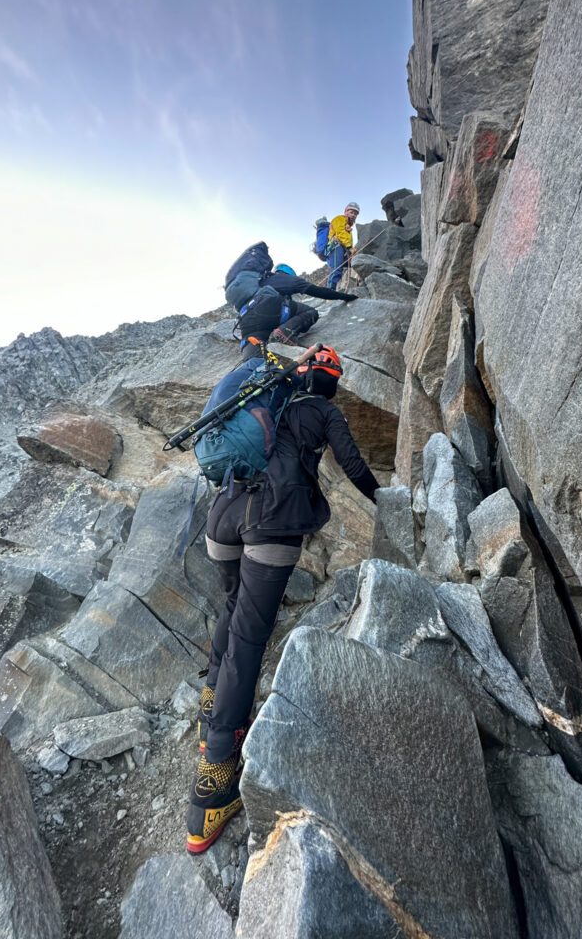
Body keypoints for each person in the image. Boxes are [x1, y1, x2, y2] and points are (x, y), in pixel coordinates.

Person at [186, 346, 380, 854]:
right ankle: (213, 784)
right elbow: (354, 463)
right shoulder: (323, 410)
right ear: (331, 381)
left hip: (223, 513)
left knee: (233, 608)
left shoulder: (268, 404)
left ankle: (212, 701)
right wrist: (387, 501)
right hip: (271, 520)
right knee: (251, 634)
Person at [260, 263, 358, 345]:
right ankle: (285, 332)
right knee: (310, 312)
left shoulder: (262, 281)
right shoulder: (289, 280)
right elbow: (320, 292)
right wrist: (346, 297)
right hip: (272, 311)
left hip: (252, 321)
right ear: (289, 273)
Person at [325, 203, 360, 290]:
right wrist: (349, 247)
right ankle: (330, 292)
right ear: (345, 212)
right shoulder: (339, 219)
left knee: (349, 267)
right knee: (336, 269)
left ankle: (340, 289)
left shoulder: (348, 226)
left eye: (355, 214)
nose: (353, 215)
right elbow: (340, 232)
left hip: (343, 249)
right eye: (351, 212)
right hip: (336, 246)